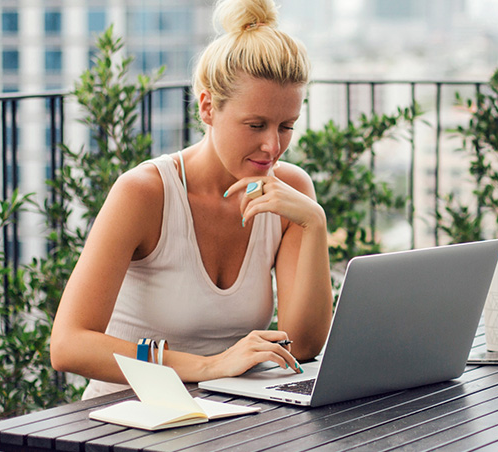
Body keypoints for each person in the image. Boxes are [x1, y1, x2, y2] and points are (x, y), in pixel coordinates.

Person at [50, 0, 333, 400]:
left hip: (230, 416)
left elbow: (301, 346)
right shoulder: (145, 192)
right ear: (207, 108)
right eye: (256, 125)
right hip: (127, 418)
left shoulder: (290, 194)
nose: (273, 146)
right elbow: (68, 345)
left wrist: (314, 223)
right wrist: (207, 366)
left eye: (287, 126)